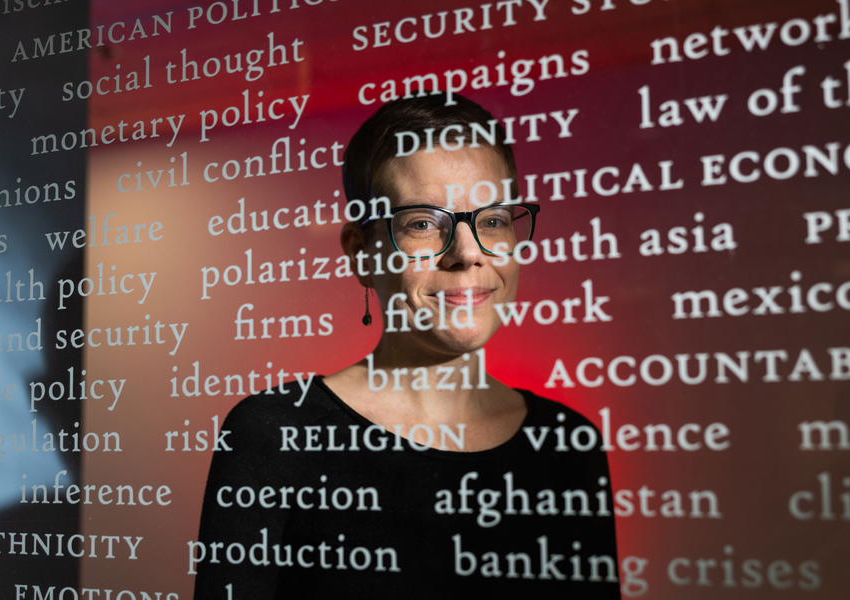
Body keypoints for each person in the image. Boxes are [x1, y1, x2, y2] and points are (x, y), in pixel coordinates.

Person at [194, 95, 619, 598]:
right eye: (422, 223)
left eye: (493, 220)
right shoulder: (275, 434)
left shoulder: (569, 446)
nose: (467, 253)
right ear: (362, 253)